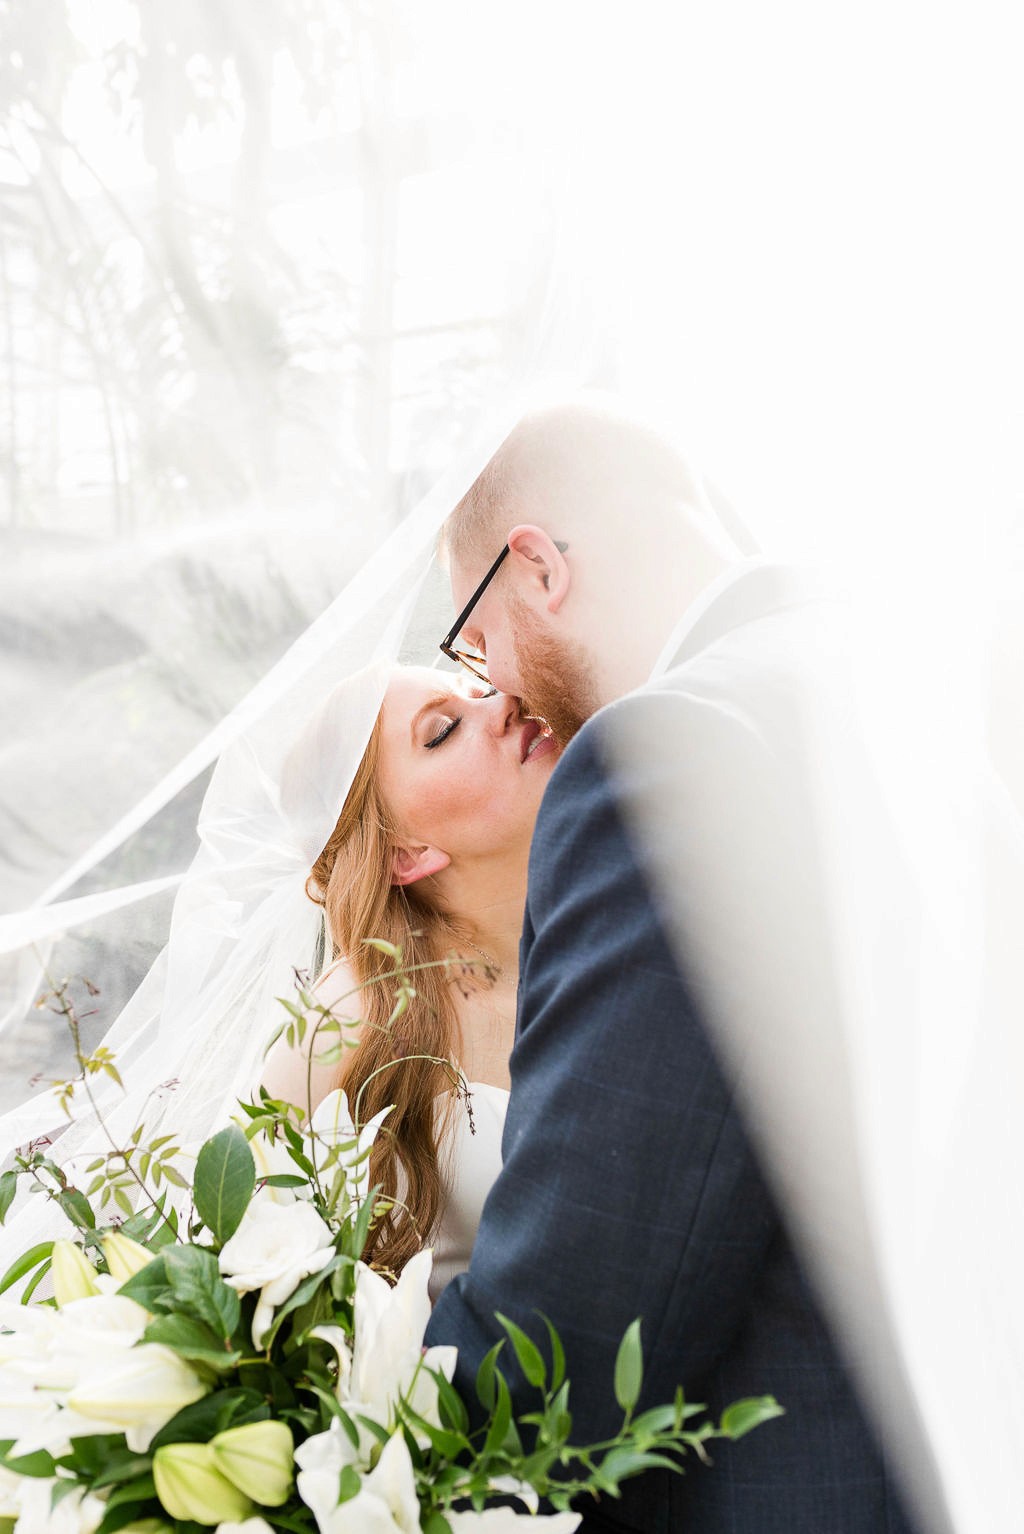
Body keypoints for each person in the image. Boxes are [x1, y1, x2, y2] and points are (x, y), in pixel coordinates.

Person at [425, 401, 932, 1533]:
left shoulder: (668, 753)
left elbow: (574, 1342)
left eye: (473, 643)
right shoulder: (910, 675)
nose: (496, 688)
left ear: (538, 568)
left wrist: (335, 1421)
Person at [261, 664, 556, 1289]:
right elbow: (267, 1273)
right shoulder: (349, 1018)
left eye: (480, 689)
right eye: (444, 730)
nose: (505, 701)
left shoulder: (631, 909)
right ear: (404, 853)